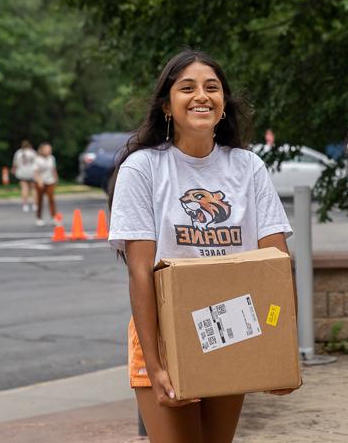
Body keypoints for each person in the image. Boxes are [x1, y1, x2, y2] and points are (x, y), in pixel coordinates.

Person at [107, 49, 296, 443]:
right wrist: (157, 366)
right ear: (166, 105)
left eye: (212, 87)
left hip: (232, 326)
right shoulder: (142, 168)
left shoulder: (248, 167)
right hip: (163, 331)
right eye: (187, 88)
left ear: (224, 104)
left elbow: (274, 267)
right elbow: (140, 272)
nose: (201, 96)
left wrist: (278, 352)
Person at [32, 142, 59, 227]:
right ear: (42, 150)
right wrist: (39, 181)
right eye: (47, 149)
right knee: (40, 200)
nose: (49, 150)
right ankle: (39, 218)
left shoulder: (51, 158)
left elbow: (53, 169)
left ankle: (54, 218)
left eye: (49, 149)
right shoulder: (37, 159)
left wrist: (56, 178)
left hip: (50, 181)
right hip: (40, 181)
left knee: (51, 199)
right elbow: (35, 172)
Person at [11, 140, 37, 212]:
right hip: (32, 172)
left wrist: (13, 170)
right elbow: (37, 163)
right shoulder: (32, 152)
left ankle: (25, 205)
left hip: (22, 172)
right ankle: (34, 204)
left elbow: (15, 164)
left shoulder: (18, 153)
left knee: (24, 188)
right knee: (33, 189)